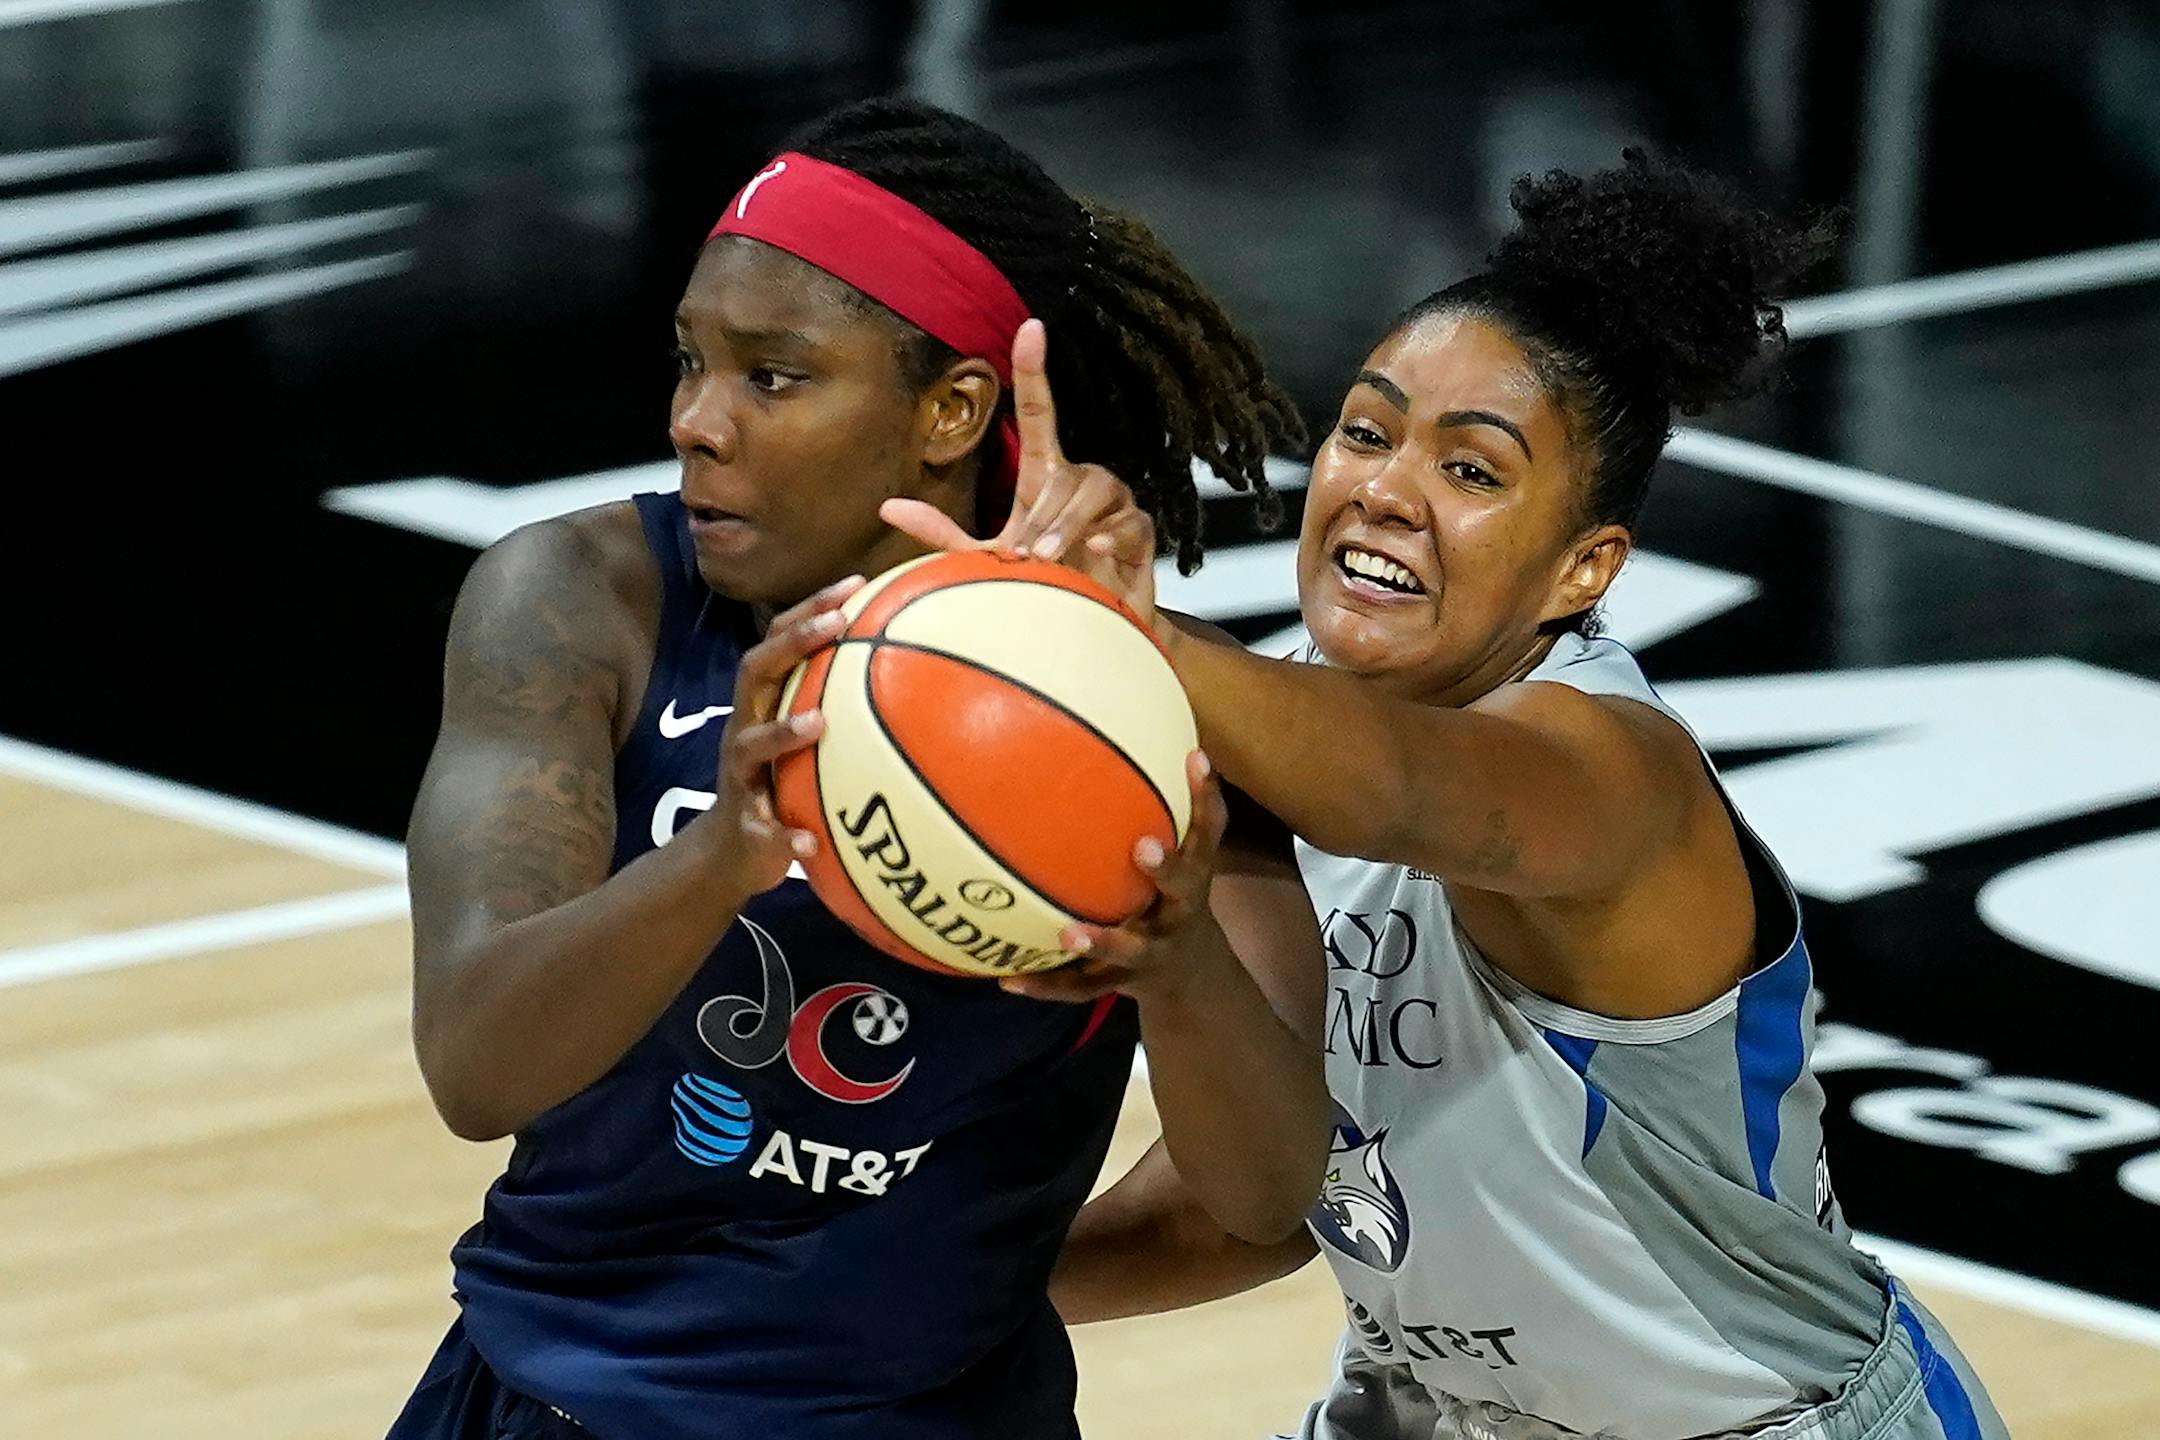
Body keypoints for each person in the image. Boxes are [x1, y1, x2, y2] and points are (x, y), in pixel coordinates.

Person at [899, 152, 2010, 1440]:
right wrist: (908, 1289)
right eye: (1366, 432)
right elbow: (1238, 1207)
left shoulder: (1611, 777)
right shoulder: (1265, 730)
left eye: (1472, 473)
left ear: (1580, 569)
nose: (1384, 489)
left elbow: (1396, 789)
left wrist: (1121, 630)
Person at [390, 97, 1323, 1440]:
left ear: (950, 409)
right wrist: (723, 858)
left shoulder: (1140, 693)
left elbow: (1265, 1207)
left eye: (772, 375)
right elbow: (474, 1068)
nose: (698, 422)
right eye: (689, 360)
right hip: (556, 1399)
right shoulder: (582, 599)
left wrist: (1176, 971)